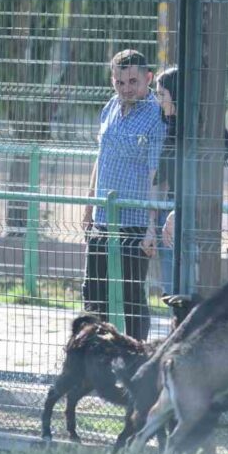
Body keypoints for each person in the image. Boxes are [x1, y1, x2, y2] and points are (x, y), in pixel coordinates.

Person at [81, 49, 166, 342]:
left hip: (135, 220)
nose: (126, 88)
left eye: (133, 81)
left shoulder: (156, 117)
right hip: (104, 216)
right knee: (93, 290)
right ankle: (91, 354)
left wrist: (152, 227)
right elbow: (100, 157)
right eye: (119, 82)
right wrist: (89, 205)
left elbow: (157, 174)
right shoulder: (110, 108)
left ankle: (136, 356)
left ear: (148, 78)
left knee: (131, 293)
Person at [151, 66, 228, 294]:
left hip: (195, 216)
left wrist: (178, 210)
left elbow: (203, 180)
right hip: (170, 213)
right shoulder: (171, 127)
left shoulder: (200, 132)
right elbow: (164, 178)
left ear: (176, 95)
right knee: (173, 290)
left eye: (162, 95)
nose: (158, 101)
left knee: (188, 290)